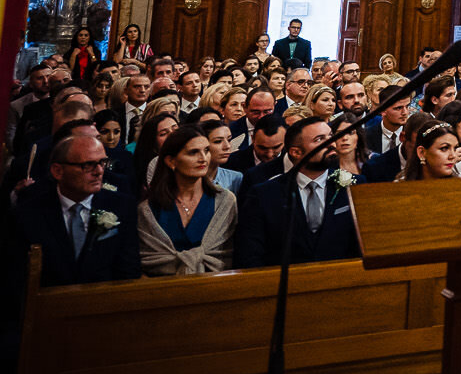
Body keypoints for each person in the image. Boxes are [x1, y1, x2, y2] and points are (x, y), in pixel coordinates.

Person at [7, 128, 141, 284]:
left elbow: (129, 270)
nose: (99, 172)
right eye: (88, 165)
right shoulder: (27, 214)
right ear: (58, 171)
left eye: (102, 163)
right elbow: (15, 278)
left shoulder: (121, 206)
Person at [233, 117, 360, 267]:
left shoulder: (355, 185)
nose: (331, 144)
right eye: (319, 139)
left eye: (330, 136)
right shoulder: (264, 195)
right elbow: (250, 254)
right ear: (296, 152)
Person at [139, 125, 238, 275]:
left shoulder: (225, 201)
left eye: (206, 151)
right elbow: (148, 260)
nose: (203, 158)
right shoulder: (149, 209)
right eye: (193, 152)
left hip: (217, 288)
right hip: (161, 291)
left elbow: (228, 254)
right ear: (171, 161)